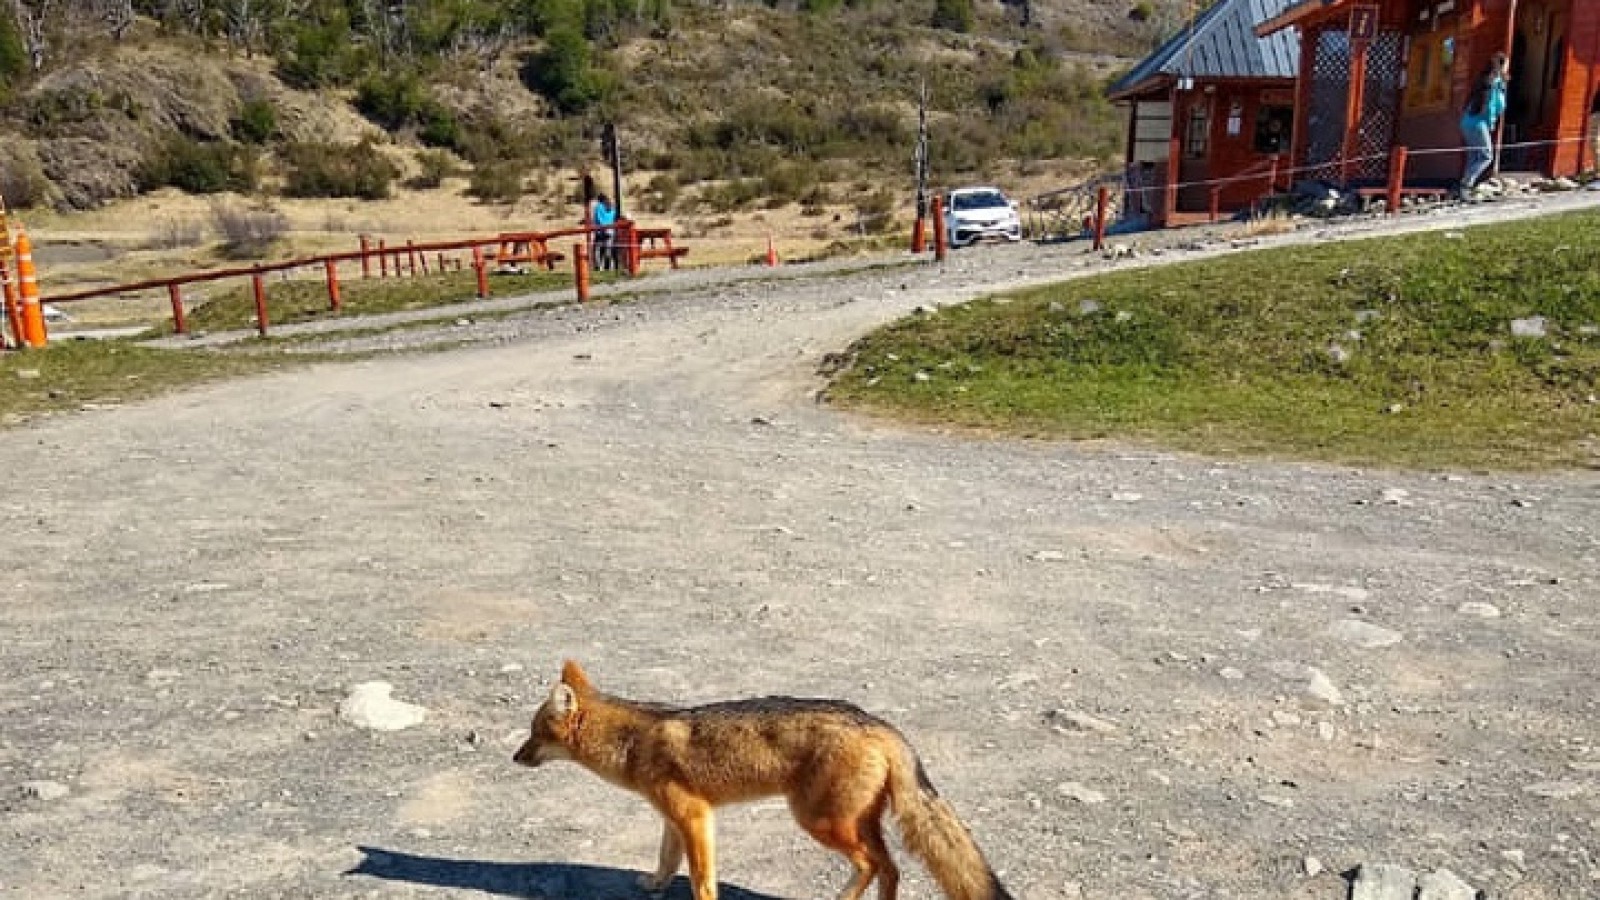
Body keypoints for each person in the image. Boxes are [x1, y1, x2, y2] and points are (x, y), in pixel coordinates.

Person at [1458, 52, 1508, 201]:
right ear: (1500, 66)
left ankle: (1465, 192)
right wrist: (1491, 123)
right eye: (1505, 65)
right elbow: (1490, 106)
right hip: (1478, 122)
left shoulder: (1488, 81)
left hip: (1468, 121)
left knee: (1474, 155)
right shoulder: (1492, 83)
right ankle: (1466, 184)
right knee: (1487, 155)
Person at [591, 193, 616, 270]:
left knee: (597, 250)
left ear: (599, 200)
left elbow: (598, 218)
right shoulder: (612, 207)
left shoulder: (598, 207)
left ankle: (597, 267)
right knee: (607, 250)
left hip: (600, 231)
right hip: (610, 231)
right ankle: (607, 267)